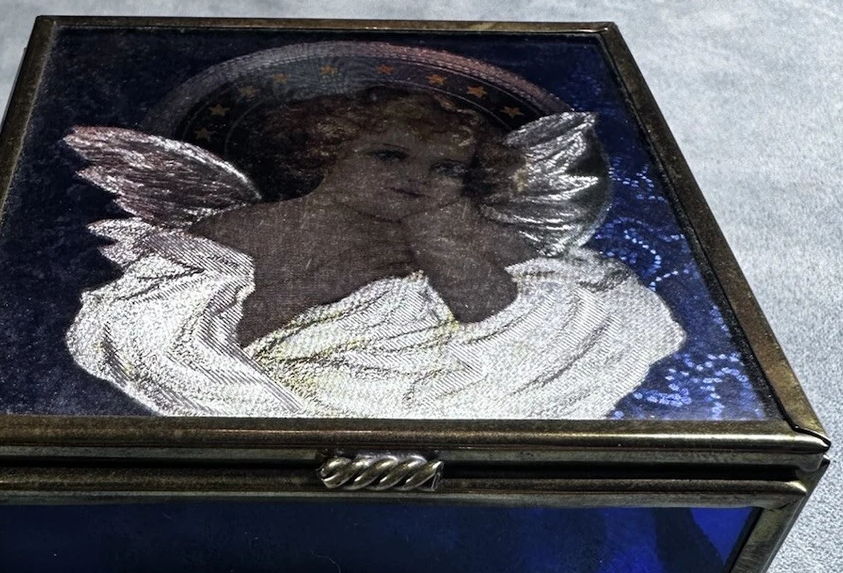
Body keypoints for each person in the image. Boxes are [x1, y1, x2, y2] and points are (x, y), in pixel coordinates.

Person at [63, 87, 684, 419]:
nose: (417, 178)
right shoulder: (248, 229)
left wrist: (443, 249)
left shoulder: (465, 231)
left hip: (443, 395)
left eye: (447, 168)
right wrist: (311, 292)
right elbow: (189, 341)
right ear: (327, 151)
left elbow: (517, 327)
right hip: (279, 394)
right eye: (389, 155)